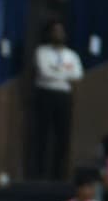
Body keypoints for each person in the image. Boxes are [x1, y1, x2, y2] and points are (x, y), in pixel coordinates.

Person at [26, 15, 81, 180]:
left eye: (61, 31)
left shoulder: (71, 55)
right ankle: (38, 174)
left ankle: (58, 175)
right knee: (42, 134)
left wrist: (57, 71)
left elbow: (77, 74)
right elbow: (44, 72)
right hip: (45, 94)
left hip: (63, 96)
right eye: (55, 31)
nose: (59, 34)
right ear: (49, 33)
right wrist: (64, 72)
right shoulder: (42, 52)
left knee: (62, 136)